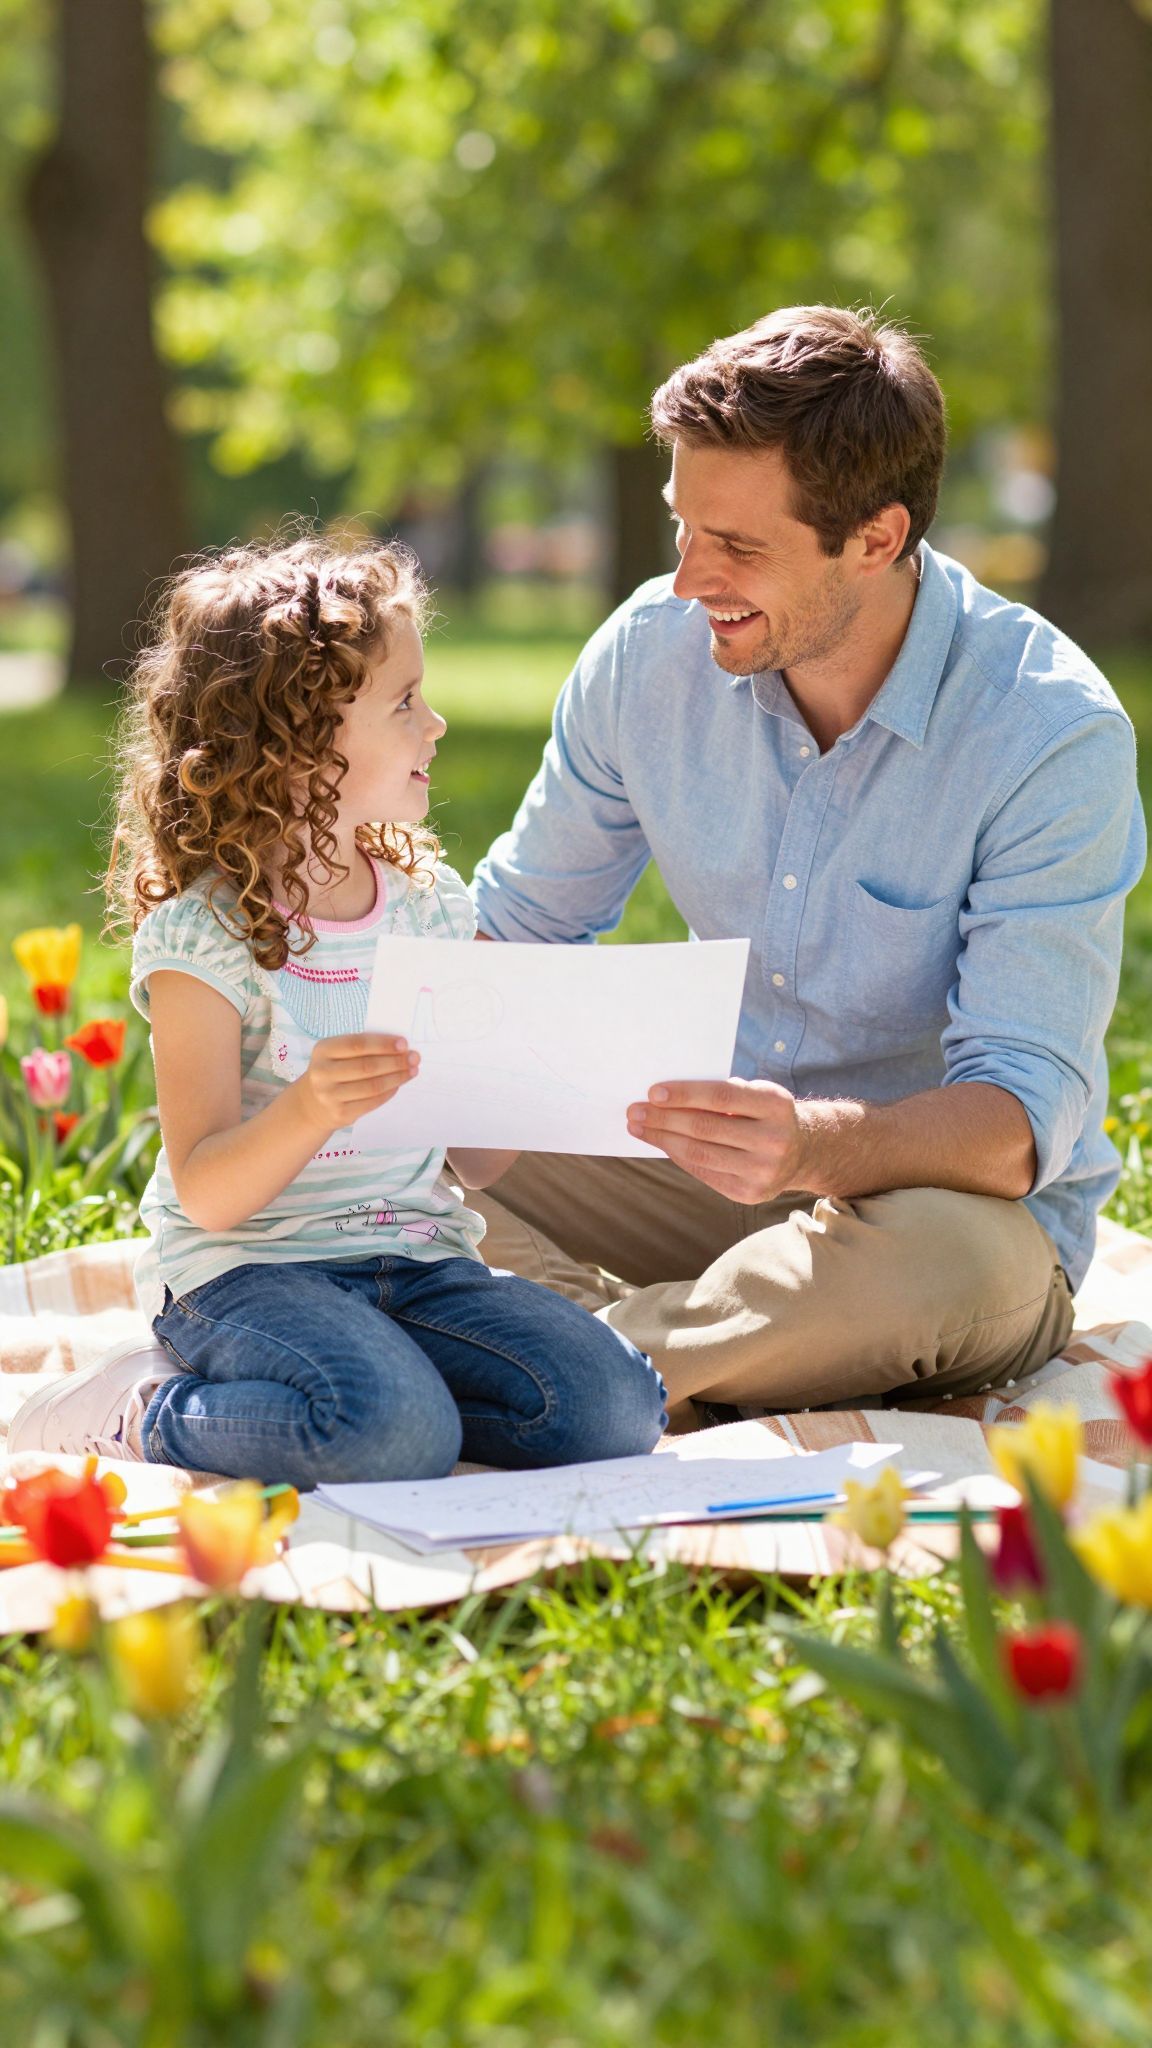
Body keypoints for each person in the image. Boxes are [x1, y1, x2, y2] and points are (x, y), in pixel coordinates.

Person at [468, 305, 1147, 1432]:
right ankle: (653, 1352)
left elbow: (1017, 1122)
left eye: (737, 546)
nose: (689, 580)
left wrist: (812, 1146)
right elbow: (516, 929)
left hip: (926, 1218)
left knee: (944, 1270)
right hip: (703, 1167)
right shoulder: (646, 659)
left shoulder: (1047, 733)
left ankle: (544, 1355)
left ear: (877, 538)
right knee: (375, 1137)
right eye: (683, 527)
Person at [11, 535, 665, 1484]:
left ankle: (389, 1406)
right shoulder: (206, 937)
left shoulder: (430, 903)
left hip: (417, 1261)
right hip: (246, 1276)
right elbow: (207, 1191)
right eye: (405, 702)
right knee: (388, 1430)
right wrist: (311, 1106)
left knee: (614, 1407)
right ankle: (147, 1410)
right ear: (297, 745)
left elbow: (478, 1162)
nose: (436, 724)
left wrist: (532, 1069)